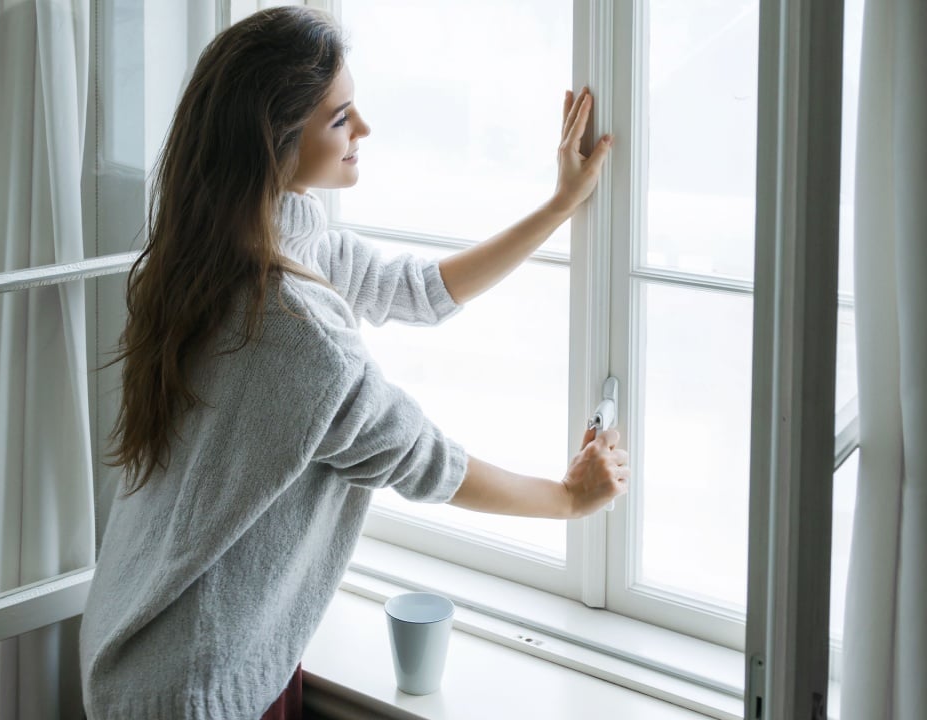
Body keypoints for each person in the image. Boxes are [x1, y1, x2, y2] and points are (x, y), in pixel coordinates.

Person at [77, 6, 628, 719]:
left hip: (144, 639)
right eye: (340, 119)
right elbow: (423, 459)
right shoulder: (294, 332)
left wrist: (559, 207)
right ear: (272, 140)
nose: (362, 131)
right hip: (193, 686)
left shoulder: (237, 242)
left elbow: (419, 291)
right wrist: (569, 499)